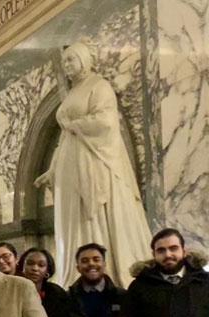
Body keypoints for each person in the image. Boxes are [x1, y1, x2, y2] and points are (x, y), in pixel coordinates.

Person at [34, 41, 151, 287]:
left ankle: (105, 269)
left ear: (84, 59)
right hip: (70, 165)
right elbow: (64, 139)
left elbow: (105, 122)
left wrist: (75, 125)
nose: (66, 65)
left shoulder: (98, 86)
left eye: (71, 59)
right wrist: (53, 169)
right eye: (64, 61)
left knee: (92, 216)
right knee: (72, 221)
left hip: (92, 160)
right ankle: (73, 271)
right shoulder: (73, 92)